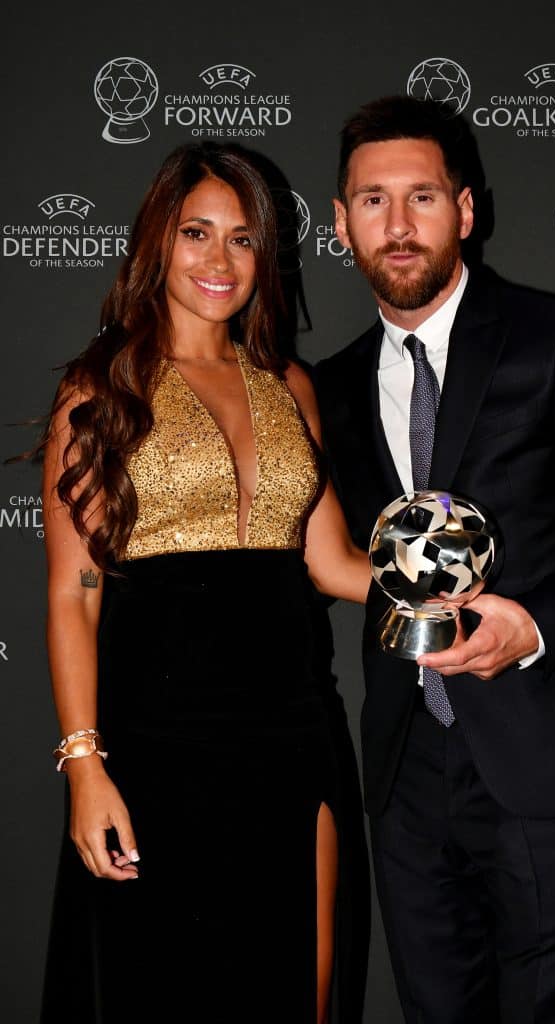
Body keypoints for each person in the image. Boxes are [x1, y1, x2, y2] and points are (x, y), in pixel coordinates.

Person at [315, 96, 555, 1023]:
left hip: (548, 763)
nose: (397, 227)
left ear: (466, 210)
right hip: (406, 778)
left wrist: (531, 623)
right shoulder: (325, 387)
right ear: (339, 221)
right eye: (372, 201)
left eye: (422, 199)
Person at [39, 141, 370, 1024]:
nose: (220, 261)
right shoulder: (101, 389)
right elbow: (74, 591)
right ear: (158, 240)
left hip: (295, 736)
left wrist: (454, 587)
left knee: (301, 988)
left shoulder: (289, 385)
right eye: (197, 233)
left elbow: (333, 563)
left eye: (243, 238)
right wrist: (85, 768)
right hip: (155, 750)